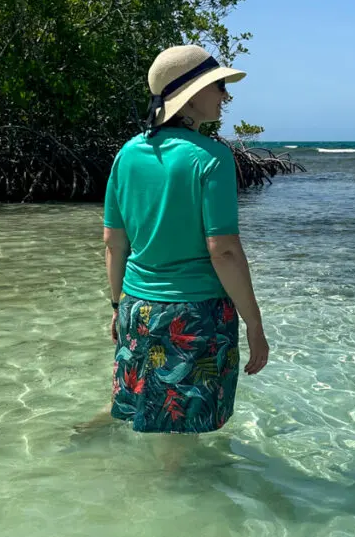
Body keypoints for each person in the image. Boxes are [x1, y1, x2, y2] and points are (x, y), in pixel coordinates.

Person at [102, 44, 269, 445]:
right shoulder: (212, 158)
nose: (225, 96)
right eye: (218, 86)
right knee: (180, 432)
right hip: (194, 317)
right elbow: (223, 251)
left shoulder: (127, 155)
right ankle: (168, 495)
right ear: (191, 94)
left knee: (148, 413)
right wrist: (255, 324)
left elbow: (113, 244)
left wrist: (116, 306)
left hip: (137, 309)